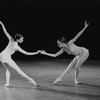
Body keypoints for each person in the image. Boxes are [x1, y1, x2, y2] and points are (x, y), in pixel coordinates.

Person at [0, 21, 40, 87]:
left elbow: (5, 31)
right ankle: (30, 79)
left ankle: (7, 83)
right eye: (21, 39)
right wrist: (36, 52)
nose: (22, 40)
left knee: (7, 69)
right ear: (18, 40)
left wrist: (2, 24)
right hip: (6, 57)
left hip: (1, 55)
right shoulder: (16, 47)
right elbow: (27, 53)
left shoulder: (11, 39)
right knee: (18, 70)